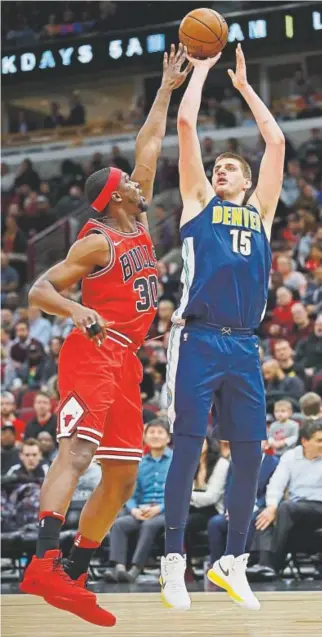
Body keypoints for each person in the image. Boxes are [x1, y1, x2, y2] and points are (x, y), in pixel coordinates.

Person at [20, 44, 191, 627]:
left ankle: (72, 569)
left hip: (127, 362)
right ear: (116, 195)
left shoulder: (136, 217)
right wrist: (76, 310)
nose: (144, 181)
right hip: (91, 353)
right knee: (78, 450)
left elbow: (147, 145)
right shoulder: (96, 241)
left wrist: (165, 88)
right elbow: (39, 289)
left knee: (120, 473)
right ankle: (41, 561)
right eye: (132, 183)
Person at [162, 43, 285, 611]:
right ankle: (172, 561)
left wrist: (243, 87)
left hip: (245, 346)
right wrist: (204, 72)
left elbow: (277, 141)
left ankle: (232, 561)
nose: (220, 168)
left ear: (249, 178)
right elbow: (185, 122)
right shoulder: (197, 201)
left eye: (230, 165)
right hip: (199, 338)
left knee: (251, 451)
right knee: (187, 448)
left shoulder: (261, 211)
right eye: (218, 165)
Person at [252, 418, 322, 578]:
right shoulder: (290, 456)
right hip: (297, 509)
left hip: (318, 507)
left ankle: (272, 563)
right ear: (305, 441)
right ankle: (263, 565)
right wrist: (271, 507)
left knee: (285, 507)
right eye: (319, 440)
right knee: (265, 514)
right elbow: (276, 483)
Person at [106, 419, 172, 583]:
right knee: (120, 524)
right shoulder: (139, 463)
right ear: (145, 437)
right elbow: (131, 493)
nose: (155, 436)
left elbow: (180, 493)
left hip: (167, 512)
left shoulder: (176, 461)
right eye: (151, 432)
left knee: (150, 525)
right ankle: (119, 568)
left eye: (160, 432)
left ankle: (135, 569)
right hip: (141, 511)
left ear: (168, 438)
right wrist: (134, 510)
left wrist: (159, 509)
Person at [208, 446, 278, 567]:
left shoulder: (274, 463)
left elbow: (272, 490)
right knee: (215, 523)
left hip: (259, 508)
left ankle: (240, 565)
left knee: (248, 519)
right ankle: (217, 566)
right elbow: (229, 489)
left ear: (266, 444)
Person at [184, 437, 229, 566]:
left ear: (209, 442)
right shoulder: (189, 463)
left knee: (184, 523)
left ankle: (188, 566)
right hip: (191, 507)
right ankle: (183, 567)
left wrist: (186, 496)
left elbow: (212, 497)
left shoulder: (221, 464)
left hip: (213, 509)